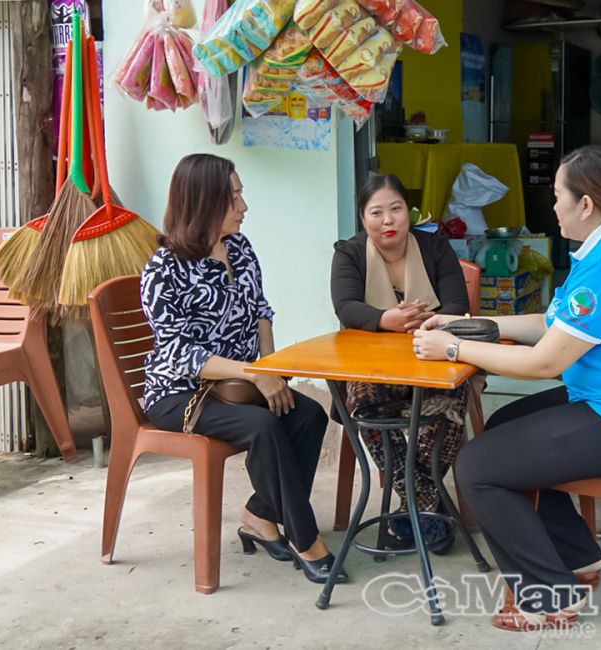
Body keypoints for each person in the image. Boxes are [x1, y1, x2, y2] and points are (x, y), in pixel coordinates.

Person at [412, 145, 601, 631]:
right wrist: (469, 323)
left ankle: (548, 596)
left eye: (558, 195)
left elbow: (544, 361)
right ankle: (577, 557)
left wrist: (454, 351)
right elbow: (551, 323)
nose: (553, 206)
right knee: (504, 423)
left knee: (477, 467)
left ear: (585, 204)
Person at [142, 153, 345, 584]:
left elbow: (261, 313)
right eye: (234, 196)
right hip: (179, 392)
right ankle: (305, 540)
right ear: (204, 201)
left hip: (238, 381)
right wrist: (255, 375)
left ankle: (259, 514)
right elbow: (181, 353)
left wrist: (269, 368)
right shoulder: (164, 268)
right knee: (264, 426)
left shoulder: (240, 247)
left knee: (308, 415)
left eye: (241, 194)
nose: (243, 205)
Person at [331, 174, 471, 553]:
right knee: (361, 402)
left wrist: (423, 324)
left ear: (408, 213)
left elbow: (458, 308)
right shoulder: (349, 252)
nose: (388, 220)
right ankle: (427, 505)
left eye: (396, 209)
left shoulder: (435, 247)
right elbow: (346, 307)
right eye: (377, 212)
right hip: (376, 367)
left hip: (433, 359)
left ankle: (410, 509)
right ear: (363, 217)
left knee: (451, 403)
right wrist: (385, 319)